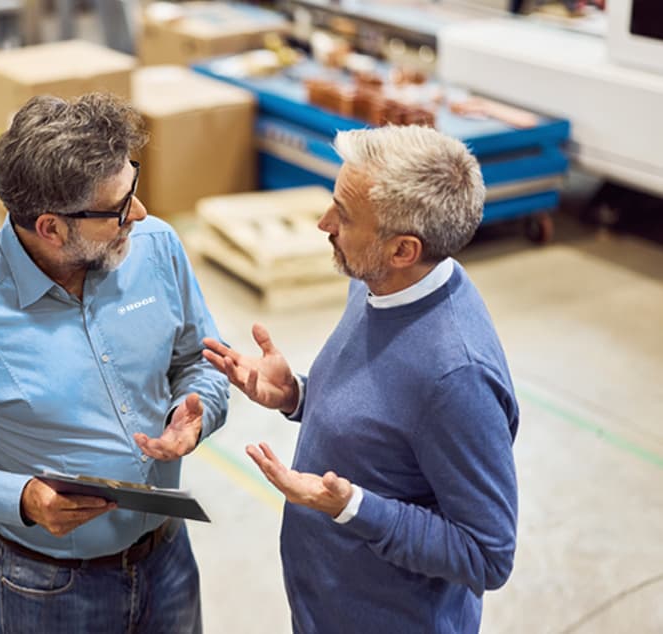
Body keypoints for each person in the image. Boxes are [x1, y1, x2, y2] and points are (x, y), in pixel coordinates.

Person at [0, 93, 229, 634]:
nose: (138, 214)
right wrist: (19, 498)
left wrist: (199, 410)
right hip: (51, 589)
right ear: (51, 227)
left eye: (132, 188)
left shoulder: (156, 248)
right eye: (118, 208)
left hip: (168, 559)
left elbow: (199, 359)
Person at [203, 125, 519, 634]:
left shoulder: (457, 379)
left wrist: (354, 507)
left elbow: (487, 555)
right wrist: (296, 395)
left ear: (403, 250)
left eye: (343, 217)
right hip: (327, 605)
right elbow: (386, 416)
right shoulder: (377, 285)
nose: (324, 223)